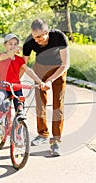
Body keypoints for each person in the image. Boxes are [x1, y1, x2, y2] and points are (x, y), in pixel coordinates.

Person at [23, 19, 69, 156]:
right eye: (34, 36)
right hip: (40, 68)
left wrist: (50, 80)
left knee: (57, 104)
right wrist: (17, 80)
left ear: (46, 32)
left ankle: (55, 141)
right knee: (40, 103)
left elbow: (65, 64)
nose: (36, 40)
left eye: (39, 37)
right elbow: (23, 65)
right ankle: (42, 134)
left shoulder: (59, 37)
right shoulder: (30, 41)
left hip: (58, 69)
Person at [0, 33, 44, 124]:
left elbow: (28, 70)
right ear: (5, 45)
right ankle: (1, 112)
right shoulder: (2, 56)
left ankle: (19, 132)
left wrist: (40, 82)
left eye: (15, 44)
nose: (13, 46)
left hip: (16, 88)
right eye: (10, 44)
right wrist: (14, 51)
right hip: (3, 87)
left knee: (20, 111)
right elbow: (9, 55)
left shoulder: (19, 59)